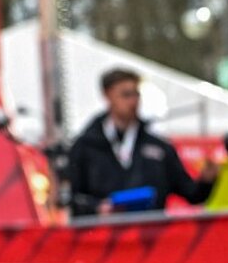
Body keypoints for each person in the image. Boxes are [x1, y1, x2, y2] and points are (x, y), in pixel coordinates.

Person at [66, 67, 215, 218]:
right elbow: (71, 200)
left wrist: (207, 180)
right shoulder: (85, 146)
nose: (133, 101)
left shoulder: (160, 148)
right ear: (108, 95)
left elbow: (192, 194)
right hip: (103, 236)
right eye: (126, 95)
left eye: (136, 94)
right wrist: (99, 208)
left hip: (149, 236)